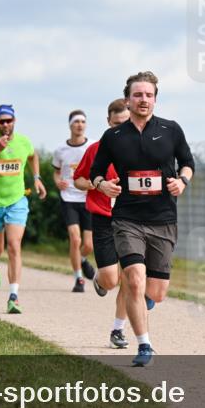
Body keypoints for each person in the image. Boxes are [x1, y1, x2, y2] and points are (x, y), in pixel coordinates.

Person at [90, 72, 194, 366]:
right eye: (138, 95)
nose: (143, 100)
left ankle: (144, 304)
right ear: (128, 99)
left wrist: (182, 181)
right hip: (127, 218)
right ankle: (144, 345)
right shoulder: (113, 136)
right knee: (133, 280)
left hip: (162, 218)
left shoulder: (171, 130)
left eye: (148, 95)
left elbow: (187, 162)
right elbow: (96, 171)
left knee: (156, 293)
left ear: (155, 99)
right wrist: (103, 185)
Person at [0, 104, 47, 314]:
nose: (6, 124)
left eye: (9, 120)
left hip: (16, 201)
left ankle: (13, 297)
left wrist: (37, 178)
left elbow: (33, 156)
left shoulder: (24, 141)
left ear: (14, 121)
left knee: (14, 245)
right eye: (1, 121)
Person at [75, 98, 133, 348]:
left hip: (132, 219)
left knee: (130, 277)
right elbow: (78, 179)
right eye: (116, 123)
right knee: (112, 280)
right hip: (102, 219)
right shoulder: (96, 149)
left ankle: (118, 330)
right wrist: (93, 184)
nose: (120, 128)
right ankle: (99, 279)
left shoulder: (140, 149)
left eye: (125, 123)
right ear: (109, 122)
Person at [53, 109, 95, 292]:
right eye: (76, 122)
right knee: (75, 239)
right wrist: (58, 182)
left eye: (83, 122)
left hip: (87, 197)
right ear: (70, 125)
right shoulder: (60, 150)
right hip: (68, 197)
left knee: (88, 245)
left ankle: (83, 259)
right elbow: (56, 171)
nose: (80, 125)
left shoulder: (92, 146)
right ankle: (79, 278)